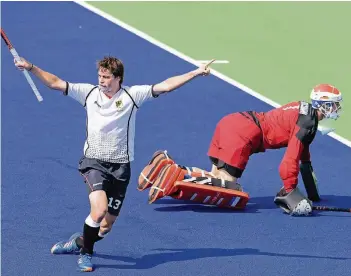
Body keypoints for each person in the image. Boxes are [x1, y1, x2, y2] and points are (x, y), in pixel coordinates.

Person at [14, 56, 214, 272]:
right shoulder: (88, 93)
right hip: (94, 162)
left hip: (120, 168)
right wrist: (31, 67)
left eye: (106, 77)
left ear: (118, 78)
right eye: (100, 76)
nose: (101, 80)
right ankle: (86, 254)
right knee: (98, 211)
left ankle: (80, 242)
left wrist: (195, 72)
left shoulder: (132, 96)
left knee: (105, 226)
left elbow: (165, 86)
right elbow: (55, 83)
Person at [138, 84, 343, 216]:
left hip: (233, 122)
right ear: (322, 105)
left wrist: (313, 196)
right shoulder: (308, 123)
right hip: (244, 134)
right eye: (333, 105)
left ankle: (166, 167)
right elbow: (290, 160)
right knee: (229, 190)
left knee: (215, 178)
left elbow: (304, 158)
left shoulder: (304, 111)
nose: (336, 109)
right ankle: (176, 173)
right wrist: (290, 191)